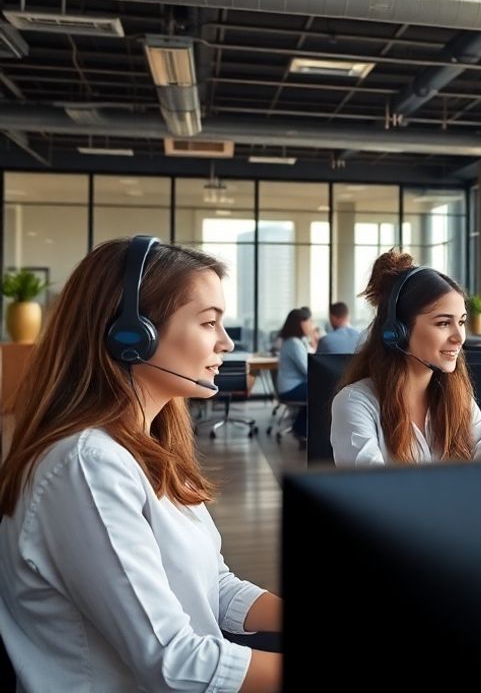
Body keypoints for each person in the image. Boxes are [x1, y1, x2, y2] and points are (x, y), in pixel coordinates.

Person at [0, 236, 281, 692]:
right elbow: (173, 663)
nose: (226, 343)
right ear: (131, 337)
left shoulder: (142, 447)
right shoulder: (87, 466)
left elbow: (214, 586)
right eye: (209, 323)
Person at [331, 251, 481, 465]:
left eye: (461, 322)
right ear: (398, 331)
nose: (459, 338)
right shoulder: (356, 404)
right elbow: (371, 493)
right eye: (443, 323)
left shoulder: (460, 401)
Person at [276, 307, 314, 439]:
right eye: (309, 322)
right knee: (321, 392)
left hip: (294, 386)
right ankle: (302, 429)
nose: (311, 325)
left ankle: (300, 427)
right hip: (291, 389)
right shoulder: (293, 343)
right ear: (300, 324)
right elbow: (308, 369)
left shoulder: (298, 341)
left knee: (317, 390)